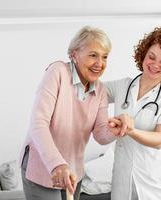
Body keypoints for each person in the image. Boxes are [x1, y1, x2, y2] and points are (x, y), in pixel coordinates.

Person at [18, 26, 115, 200]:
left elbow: (101, 135)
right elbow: (38, 122)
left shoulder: (100, 90)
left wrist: (115, 131)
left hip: (73, 169)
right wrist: (56, 164)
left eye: (105, 57)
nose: (100, 63)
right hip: (42, 163)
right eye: (93, 55)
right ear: (74, 55)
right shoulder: (58, 72)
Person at [105, 26, 161, 200]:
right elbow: (88, 90)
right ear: (143, 54)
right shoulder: (122, 86)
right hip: (123, 181)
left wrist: (130, 130)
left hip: (156, 184)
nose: (155, 65)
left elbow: (160, 139)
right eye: (151, 57)